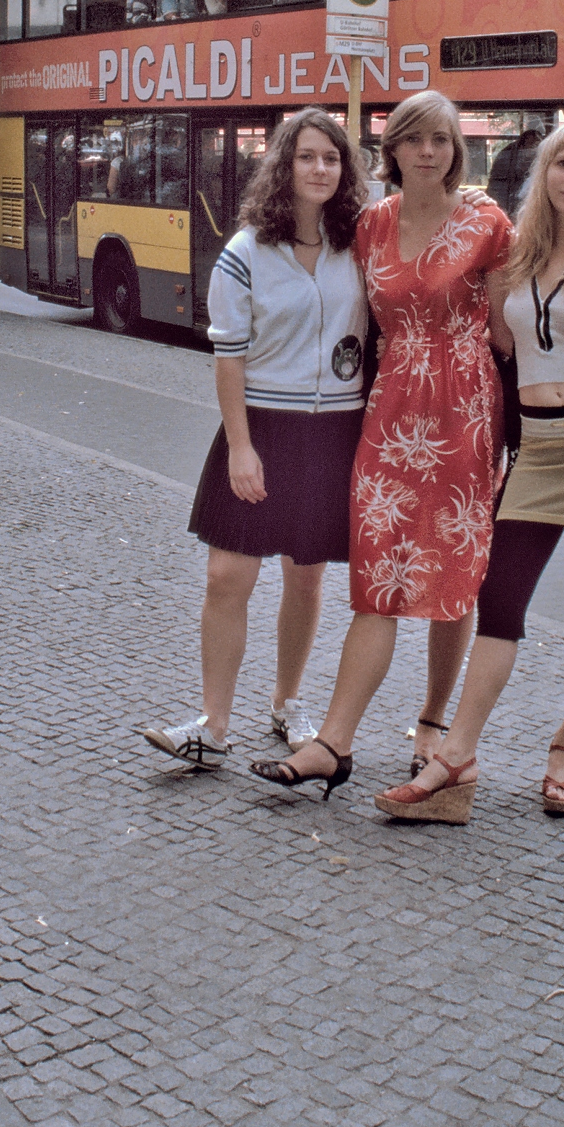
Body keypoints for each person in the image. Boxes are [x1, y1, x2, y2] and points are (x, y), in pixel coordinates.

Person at [375, 117, 564, 824]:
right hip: (537, 448)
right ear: (543, 172)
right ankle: (455, 760)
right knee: (500, 601)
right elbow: (488, 335)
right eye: (561, 163)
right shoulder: (521, 252)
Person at [249, 90, 512, 801]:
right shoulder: (370, 224)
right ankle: (335, 743)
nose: (430, 151)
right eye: (415, 139)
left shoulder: (488, 223)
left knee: (454, 574)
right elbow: (325, 300)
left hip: (463, 413)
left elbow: (515, 329)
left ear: (458, 150)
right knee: (378, 580)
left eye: (443, 139)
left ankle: (432, 724)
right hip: (389, 411)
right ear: (392, 150)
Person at [141, 110, 370, 769]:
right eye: (306, 158)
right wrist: (241, 446)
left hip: (333, 432)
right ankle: (212, 726)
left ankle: (287, 703)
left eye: (332, 158)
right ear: (283, 166)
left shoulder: (359, 244)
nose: (320, 169)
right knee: (226, 573)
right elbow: (229, 358)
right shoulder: (245, 253)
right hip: (262, 425)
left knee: (306, 577)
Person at [486, 123, 545, 220]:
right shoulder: (508, 156)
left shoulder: (537, 172)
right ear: (522, 146)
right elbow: (497, 188)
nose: (534, 151)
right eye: (533, 146)